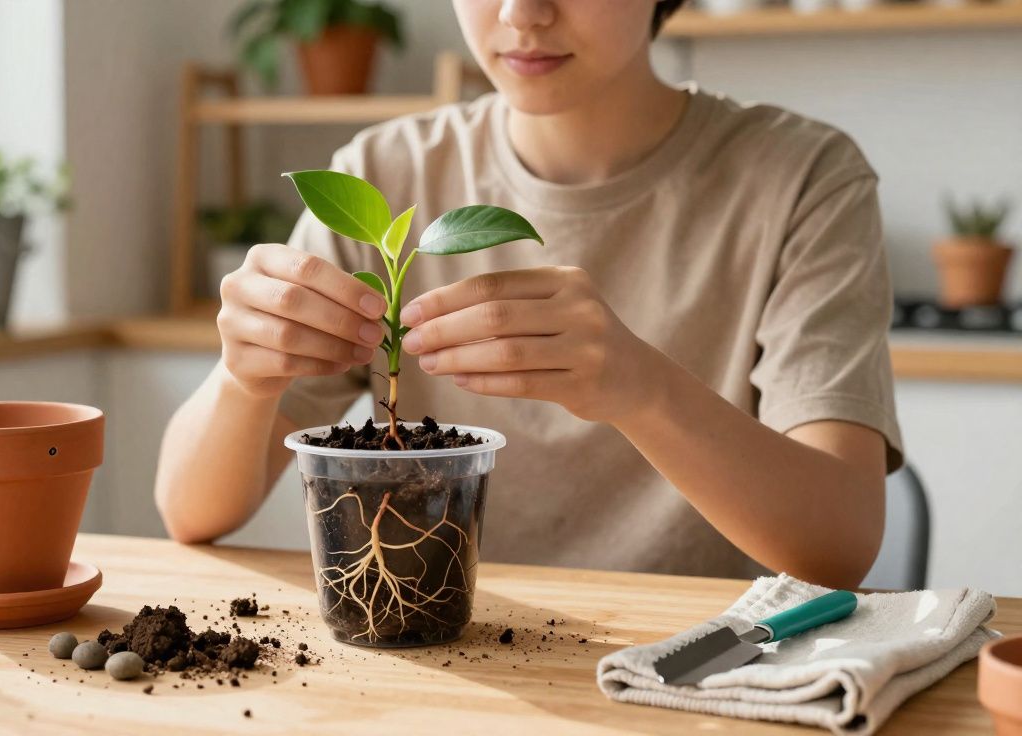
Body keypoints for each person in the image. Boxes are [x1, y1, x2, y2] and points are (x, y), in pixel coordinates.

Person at [155, 0, 902, 589]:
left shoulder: (802, 180)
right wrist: (242, 377)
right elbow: (190, 512)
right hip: (439, 663)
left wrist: (641, 389)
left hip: (690, 672)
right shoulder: (385, 174)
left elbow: (838, 547)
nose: (521, 12)